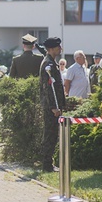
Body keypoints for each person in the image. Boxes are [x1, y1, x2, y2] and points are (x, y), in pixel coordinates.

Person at [40, 37, 66, 172]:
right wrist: (53, 107)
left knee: (53, 134)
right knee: (50, 135)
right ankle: (46, 164)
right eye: (57, 47)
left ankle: (49, 163)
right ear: (50, 49)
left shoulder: (52, 62)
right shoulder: (47, 64)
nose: (60, 49)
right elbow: (48, 88)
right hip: (51, 107)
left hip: (55, 105)